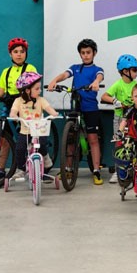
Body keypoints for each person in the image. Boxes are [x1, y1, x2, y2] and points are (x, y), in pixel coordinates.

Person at [0, 37, 38, 182]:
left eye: (22, 51)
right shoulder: (6, 72)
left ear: (26, 53)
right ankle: (0, 170)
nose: (19, 54)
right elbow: (1, 91)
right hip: (10, 104)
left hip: (26, 105)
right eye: (15, 51)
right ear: (10, 54)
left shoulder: (30, 69)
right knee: (4, 138)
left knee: (27, 137)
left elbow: (34, 89)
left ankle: (26, 166)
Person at [47, 38, 105, 185]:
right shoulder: (75, 68)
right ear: (80, 54)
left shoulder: (96, 69)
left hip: (90, 108)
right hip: (76, 106)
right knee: (70, 139)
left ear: (94, 53)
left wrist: (96, 82)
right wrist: (55, 81)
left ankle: (97, 170)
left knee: (93, 139)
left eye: (88, 52)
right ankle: (67, 168)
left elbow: (100, 76)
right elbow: (64, 75)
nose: (85, 55)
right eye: (83, 53)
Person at [9, 72, 59, 181]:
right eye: (37, 89)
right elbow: (13, 112)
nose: (39, 91)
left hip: (39, 130)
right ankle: (21, 169)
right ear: (27, 90)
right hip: (25, 131)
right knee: (20, 149)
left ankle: (45, 157)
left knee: (42, 144)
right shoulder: (18, 101)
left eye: (39, 88)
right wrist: (13, 115)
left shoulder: (41, 100)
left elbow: (49, 109)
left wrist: (54, 113)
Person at [100, 54, 137, 183]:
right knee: (119, 143)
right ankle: (119, 171)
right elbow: (104, 96)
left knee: (135, 143)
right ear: (125, 71)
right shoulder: (118, 85)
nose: (136, 72)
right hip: (119, 118)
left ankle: (136, 169)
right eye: (134, 70)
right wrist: (116, 101)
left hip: (134, 118)